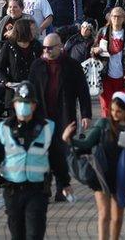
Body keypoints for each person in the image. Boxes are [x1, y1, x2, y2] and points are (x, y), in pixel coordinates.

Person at [0, 81, 71, 240]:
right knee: (17, 235)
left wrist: (64, 183)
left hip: (37, 191)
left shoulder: (47, 128)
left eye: (27, 102)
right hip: (12, 191)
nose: (23, 106)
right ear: (14, 105)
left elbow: (57, 159)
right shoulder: (5, 128)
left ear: (34, 105)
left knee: (34, 234)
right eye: (20, 102)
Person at [62, 91, 125, 240]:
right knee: (104, 214)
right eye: (112, 110)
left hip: (120, 176)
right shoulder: (104, 123)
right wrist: (69, 140)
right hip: (101, 175)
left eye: (118, 111)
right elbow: (86, 143)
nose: (114, 114)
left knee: (117, 218)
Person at [29, 32, 92, 200]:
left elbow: (83, 92)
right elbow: (30, 93)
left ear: (60, 46)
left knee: (63, 152)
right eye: (44, 48)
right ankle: (44, 188)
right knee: (43, 153)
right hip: (42, 117)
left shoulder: (71, 65)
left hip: (64, 116)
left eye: (50, 48)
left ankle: (61, 188)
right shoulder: (37, 66)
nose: (47, 51)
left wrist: (86, 114)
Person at [92, 8, 125, 117]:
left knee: (121, 109)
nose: (116, 19)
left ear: (123, 19)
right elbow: (93, 49)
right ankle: (107, 131)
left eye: (119, 16)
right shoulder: (103, 32)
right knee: (107, 108)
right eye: (114, 16)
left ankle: (120, 131)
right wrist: (95, 50)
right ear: (110, 18)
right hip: (106, 76)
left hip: (123, 78)